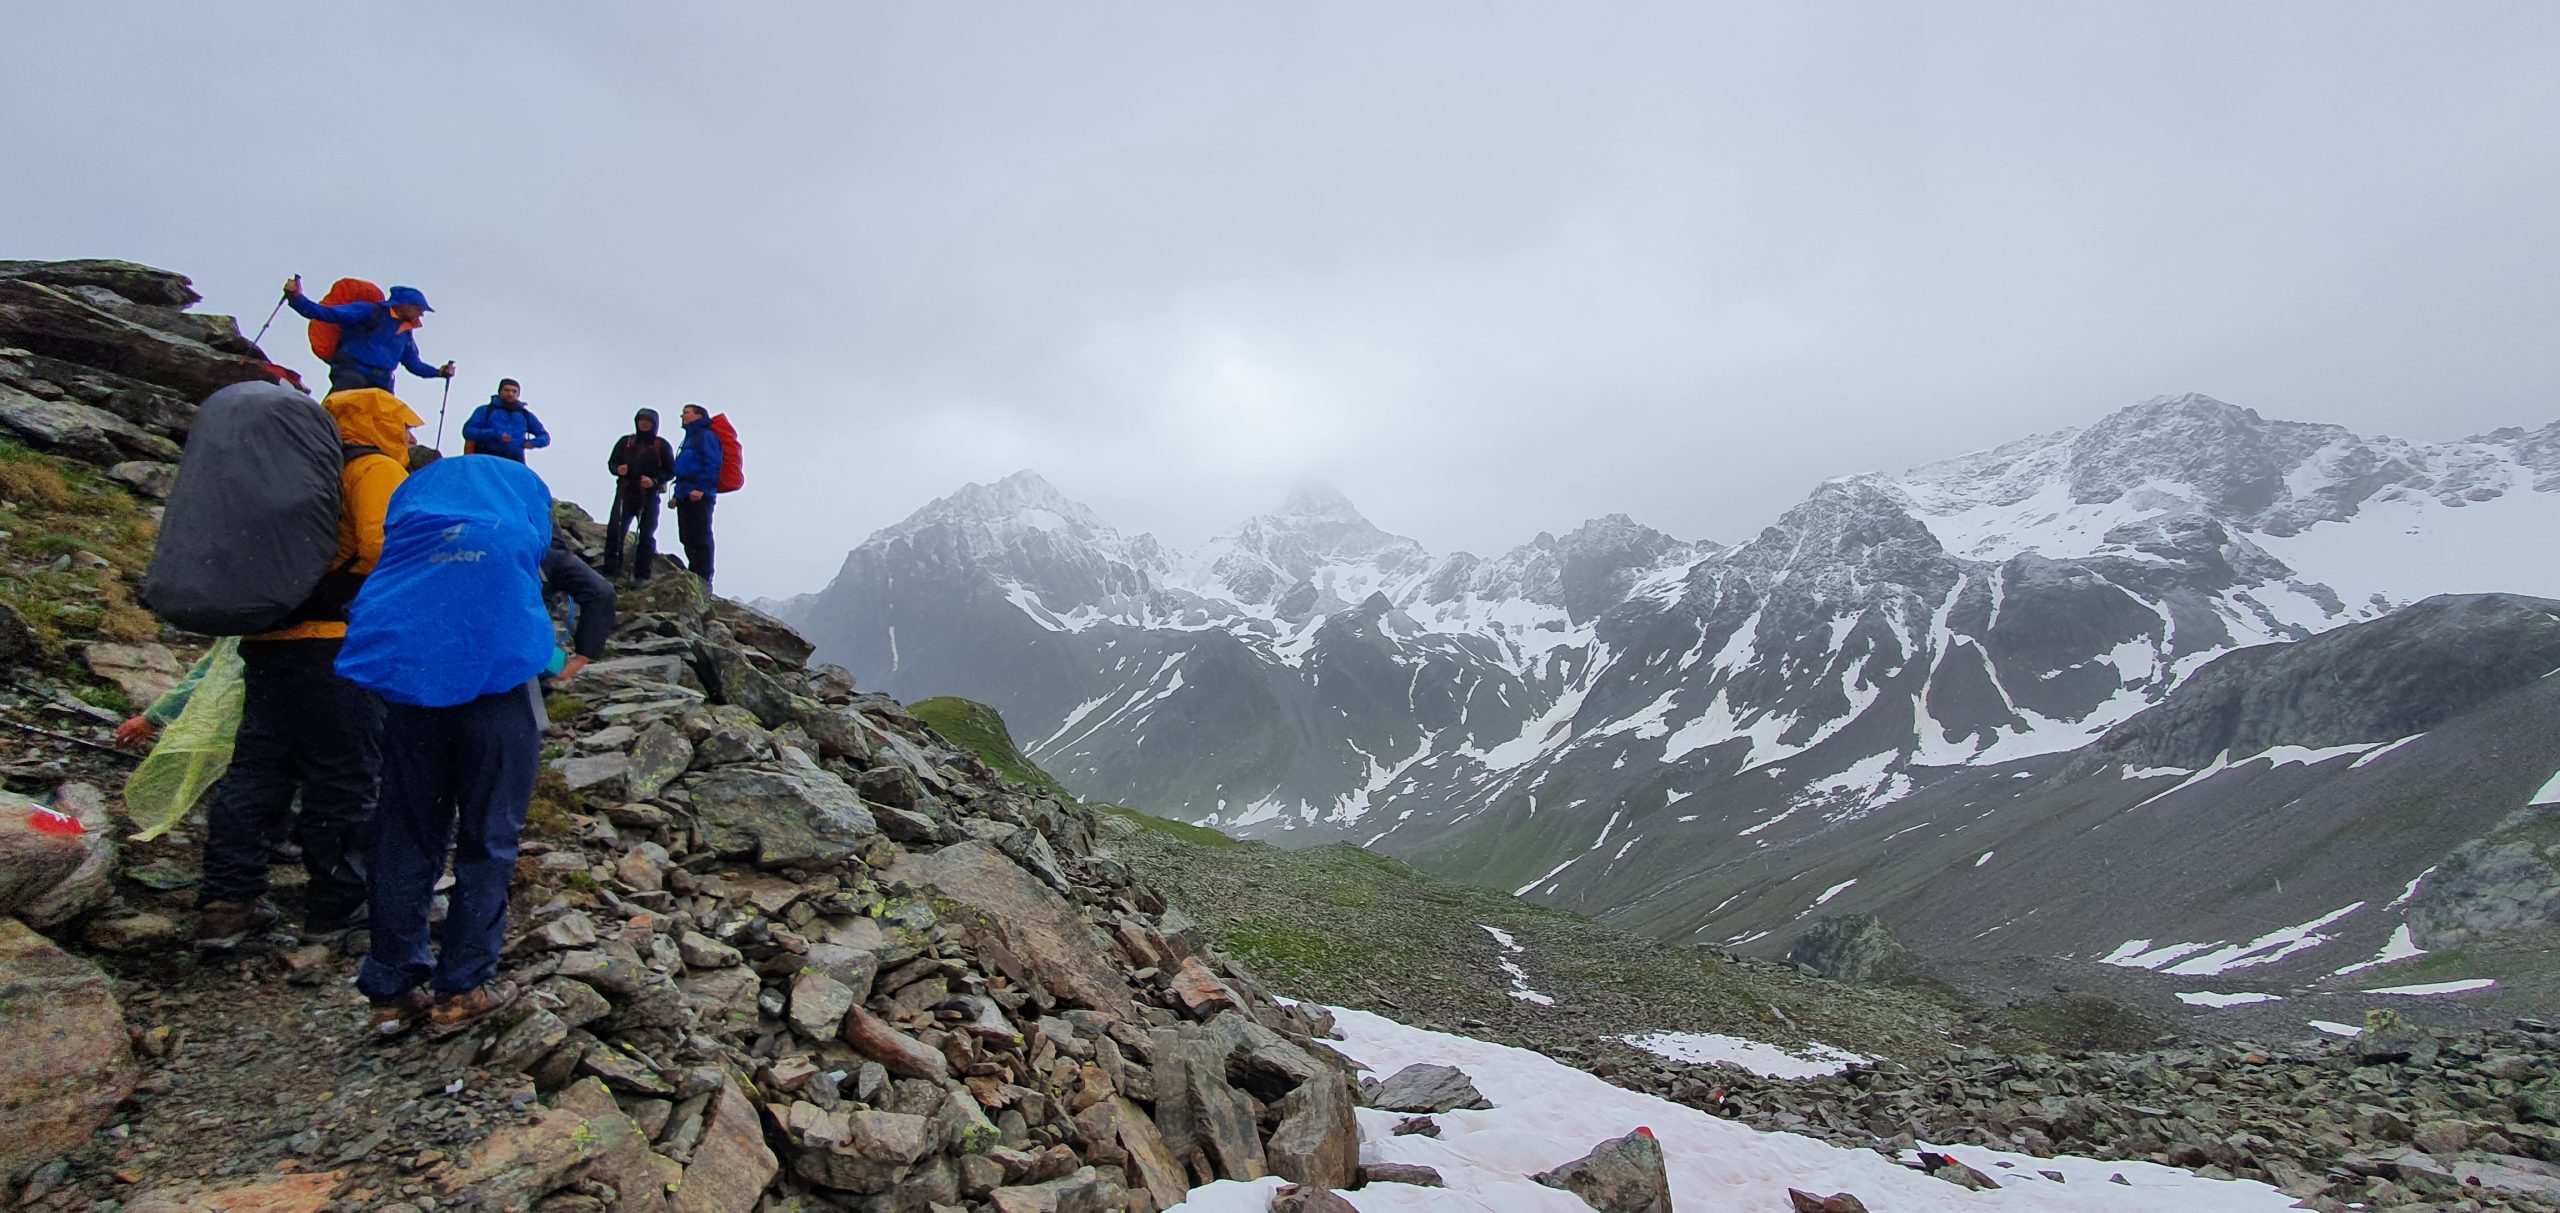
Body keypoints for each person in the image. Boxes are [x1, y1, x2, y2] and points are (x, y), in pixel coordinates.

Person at [341, 456, 587, 1037]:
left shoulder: (415, 539)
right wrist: (575, 657)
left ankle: (391, 987)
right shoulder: (516, 541)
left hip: (413, 698)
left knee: (405, 834)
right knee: (488, 840)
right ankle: (462, 987)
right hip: (499, 704)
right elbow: (589, 594)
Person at [193, 388, 420, 946]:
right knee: (343, 775)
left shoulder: (293, 468)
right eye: (401, 424)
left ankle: (227, 900)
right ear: (376, 424)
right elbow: (381, 544)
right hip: (336, 645)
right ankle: (336, 908)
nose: (409, 435)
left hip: (267, 635)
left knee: (258, 768)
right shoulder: (372, 467)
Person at [282, 276, 456, 395]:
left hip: (382, 383)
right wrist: (297, 299)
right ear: (404, 305)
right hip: (352, 373)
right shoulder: (371, 311)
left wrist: (439, 373)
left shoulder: (405, 333)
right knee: (338, 410)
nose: (421, 314)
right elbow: (330, 314)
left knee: (384, 421)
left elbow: (414, 364)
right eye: (419, 309)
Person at [600, 408, 675, 582]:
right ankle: (610, 571)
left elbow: (670, 471)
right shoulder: (626, 442)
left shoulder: (661, 445)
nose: (644, 423)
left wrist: (654, 481)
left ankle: (641, 576)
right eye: (641, 419)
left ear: (654, 424)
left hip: (649, 496)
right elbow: (612, 463)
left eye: (648, 421)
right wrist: (617, 469)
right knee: (615, 531)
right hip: (625, 493)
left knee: (646, 536)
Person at [671, 404, 723, 588]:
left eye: (686, 413)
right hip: (686, 494)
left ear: (698, 416)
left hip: (700, 494)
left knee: (699, 536)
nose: (682, 416)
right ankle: (695, 575)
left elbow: (713, 463)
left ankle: (702, 580)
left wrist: (701, 488)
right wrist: (677, 496)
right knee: (687, 536)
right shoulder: (691, 437)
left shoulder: (706, 436)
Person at [461, 379, 550, 462]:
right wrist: (495, 435)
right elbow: (468, 431)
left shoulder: (526, 415)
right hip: (486, 458)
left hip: (515, 461)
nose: (510, 394)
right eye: (506, 390)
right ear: (500, 391)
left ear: (518, 394)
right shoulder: (485, 411)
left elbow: (545, 437)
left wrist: (533, 443)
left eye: (514, 391)